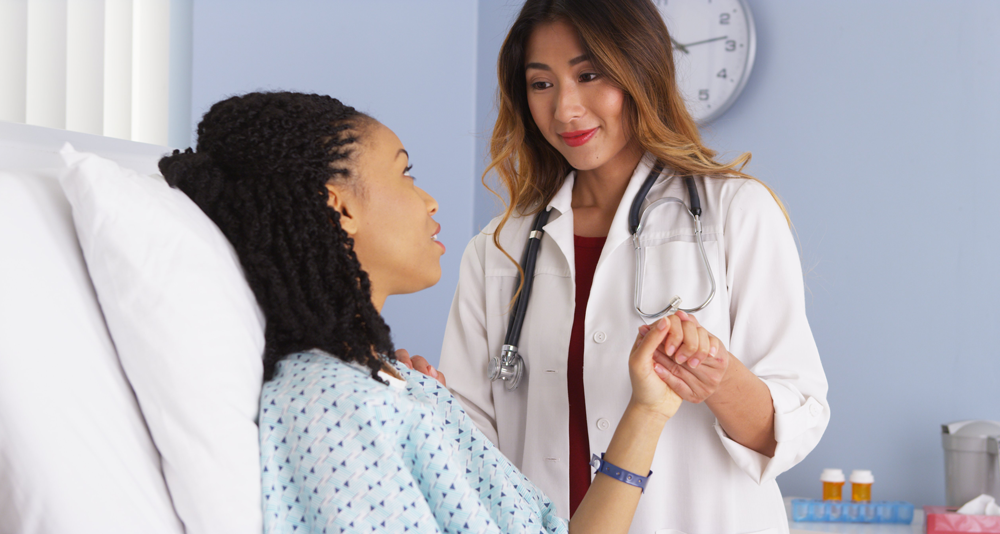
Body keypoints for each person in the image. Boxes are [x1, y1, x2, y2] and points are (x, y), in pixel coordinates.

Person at [159, 91, 685, 534]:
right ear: (341, 206)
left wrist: (649, 408)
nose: (430, 201)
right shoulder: (331, 406)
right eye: (406, 173)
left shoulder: (396, 389)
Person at [436, 1, 830, 533]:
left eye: (588, 75)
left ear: (640, 68)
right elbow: (467, 446)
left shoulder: (735, 212)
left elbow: (790, 429)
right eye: (541, 84)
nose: (565, 109)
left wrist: (716, 377)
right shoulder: (499, 249)